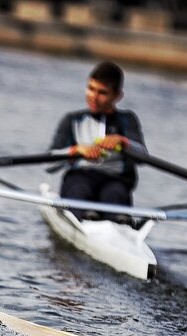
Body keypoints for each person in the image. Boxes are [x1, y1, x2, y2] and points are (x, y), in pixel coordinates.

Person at [49, 61, 148, 223]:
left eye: (102, 92)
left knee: (116, 194)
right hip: (81, 178)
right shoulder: (73, 120)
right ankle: (86, 216)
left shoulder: (127, 120)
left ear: (117, 96)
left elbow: (143, 157)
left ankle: (118, 222)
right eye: (91, 89)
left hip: (115, 182)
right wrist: (76, 151)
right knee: (79, 187)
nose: (93, 97)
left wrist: (124, 142)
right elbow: (50, 164)